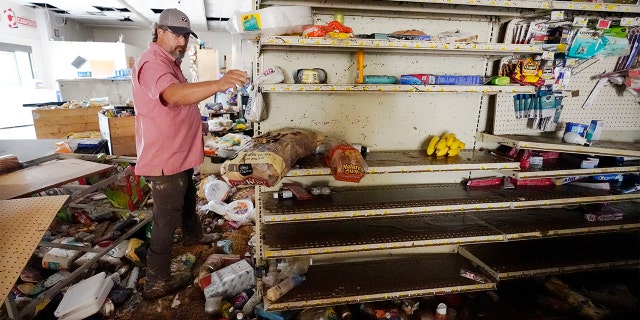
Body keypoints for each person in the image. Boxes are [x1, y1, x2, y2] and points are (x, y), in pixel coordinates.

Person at [131, 8, 249, 299]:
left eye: (186, 36)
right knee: (166, 217)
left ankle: (194, 236)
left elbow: (179, 100)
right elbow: (172, 95)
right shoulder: (153, 63)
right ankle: (156, 280)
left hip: (178, 152)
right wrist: (219, 83)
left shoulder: (170, 61)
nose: (182, 41)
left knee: (186, 198)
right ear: (160, 31)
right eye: (177, 34)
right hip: (163, 156)